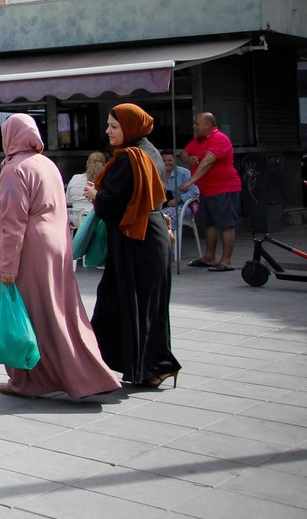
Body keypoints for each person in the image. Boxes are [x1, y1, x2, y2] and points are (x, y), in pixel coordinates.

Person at [0, 114, 122, 400]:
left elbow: (13, 223)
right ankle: (85, 372)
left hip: (30, 249)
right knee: (61, 312)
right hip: (56, 246)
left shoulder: (15, 170)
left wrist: (8, 267)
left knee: (32, 315)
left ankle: (30, 380)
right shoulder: (46, 163)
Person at [86, 104, 181, 388]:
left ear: (130, 127)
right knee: (142, 305)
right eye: (108, 125)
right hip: (148, 236)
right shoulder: (149, 151)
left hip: (137, 240)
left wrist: (95, 194)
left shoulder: (130, 157)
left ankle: (152, 367)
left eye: (114, 126)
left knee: (131, 304)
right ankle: (149, 367)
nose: (108, 131)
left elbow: (115, 203)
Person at [181, 112, 242, 271]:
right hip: (206, 189)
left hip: (223, 187)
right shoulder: (198, 140)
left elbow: (208, 161)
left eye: (197, 124)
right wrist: (189, 159)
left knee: (226, 224)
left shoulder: (219, 138)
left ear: (207, 125)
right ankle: (209, 256)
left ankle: (226, 261)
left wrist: (190, 181)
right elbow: (184, 153)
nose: (195, 127)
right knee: (209, 223)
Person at [163, 150, 200, 243]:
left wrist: (179, 199)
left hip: (191, 206)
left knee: (166, 215)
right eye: (164, 160)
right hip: (166, 205)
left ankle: (168, 240)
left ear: (174, 160)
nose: (167, 163)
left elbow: (195, 191)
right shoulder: (157, 173)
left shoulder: (183, 173)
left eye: (170, 160)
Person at [66, 151, 107, 230]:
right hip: (100, 224)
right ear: (105, 165)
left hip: (78, 223)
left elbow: (68, 201)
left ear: (87, 163)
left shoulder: (75, 178)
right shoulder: (107, 181)